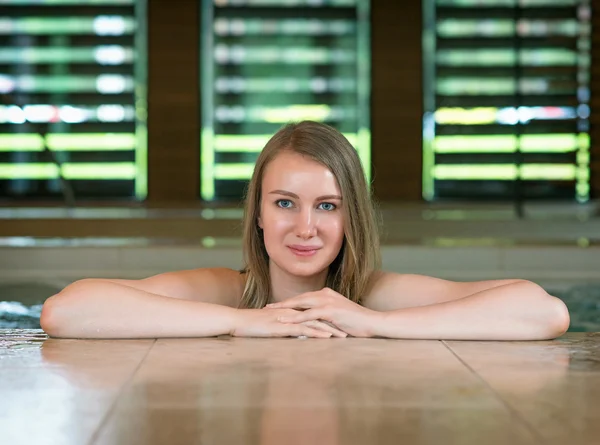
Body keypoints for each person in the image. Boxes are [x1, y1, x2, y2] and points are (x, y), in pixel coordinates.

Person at [40, 121, 570, 340]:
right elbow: (65, 311)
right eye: (285, 203)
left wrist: (373, 323)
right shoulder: (230, 292)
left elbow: (544, 311)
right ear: (259, 214)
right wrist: (242, 323)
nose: (305, 228)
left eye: (328, 206)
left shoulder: (374, 297)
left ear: (351, 218)